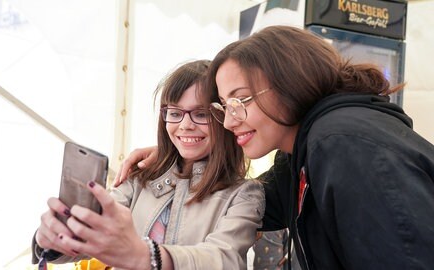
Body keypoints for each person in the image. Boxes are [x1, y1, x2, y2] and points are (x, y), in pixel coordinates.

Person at [114, 26, 434, 270]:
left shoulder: (342, 143)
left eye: (239, 101)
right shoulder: (303, 152)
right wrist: (181, 162)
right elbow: (255, 203)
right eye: (224, 106)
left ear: (288, 84)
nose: (229, 121)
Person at [31, 60, 265, 270]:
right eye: (174, 113)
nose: (185, 125)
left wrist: (146, 256)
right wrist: (52, 240)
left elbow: (223, 259)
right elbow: (92, 238)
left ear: (224, 116)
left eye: (201, 114)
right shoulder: (139, 178)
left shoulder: (244, 194)